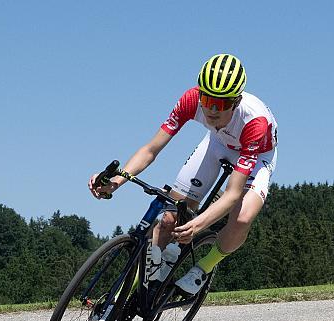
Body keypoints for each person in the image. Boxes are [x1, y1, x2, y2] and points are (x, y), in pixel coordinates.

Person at [89, 53, 278, 295]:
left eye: (220, 104)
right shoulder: (191, 100)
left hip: (258, 155)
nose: (210, 109)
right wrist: (116, 180)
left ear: (236, 101)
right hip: (218, 143)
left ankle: (203, 269)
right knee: (170, 217)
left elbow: (231, 195)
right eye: (206, 98)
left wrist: (198, 225)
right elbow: (151, 149)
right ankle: (125, 295)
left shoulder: (254, 122)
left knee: (241, 217)